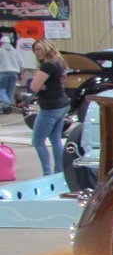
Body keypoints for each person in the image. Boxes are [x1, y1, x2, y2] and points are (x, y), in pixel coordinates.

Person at [28, 39, 70, 176]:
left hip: (50, 107)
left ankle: (47, 173)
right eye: (35, 49)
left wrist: (39, 85)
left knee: (38, 141)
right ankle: (59, 171)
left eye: (39, 48)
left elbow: (33, 87)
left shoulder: (48, 65)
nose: (37, 52)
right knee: (55, 140)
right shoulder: (59, 62)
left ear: (47, 48)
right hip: (61, 104)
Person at [0, 33, 22, 113]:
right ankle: (7, 108)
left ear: (1, 42)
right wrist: (20, 74)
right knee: (10, 91)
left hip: (2, 72)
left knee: (2, 90)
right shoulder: (15, 51)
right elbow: (21, 64)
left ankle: (7, 103)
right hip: (14, 73)